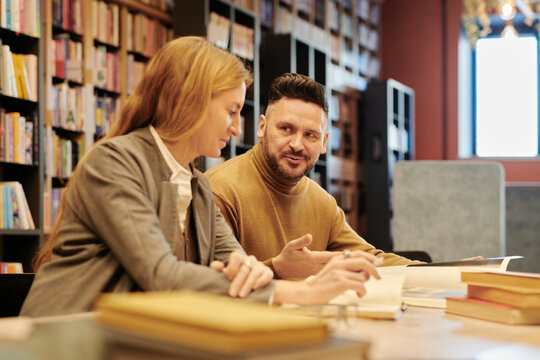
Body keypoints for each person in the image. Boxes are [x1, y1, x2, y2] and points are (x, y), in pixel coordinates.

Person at [21, 38, 381, 317]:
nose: (238, 127)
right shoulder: (114, 163)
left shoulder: (198, 186)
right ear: (191, 100)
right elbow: (161, 276)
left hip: (135, 335)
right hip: (65, 336)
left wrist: (251, 271)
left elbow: (245, 269)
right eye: (232, 110)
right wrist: (303, 291)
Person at [206, 72, 421, 280]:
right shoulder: (219, 190)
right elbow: (214, 282)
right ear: (262, 127)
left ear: (324, 142)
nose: (297, 145)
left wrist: (442, 273)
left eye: (310, 135)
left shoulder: (323, 203)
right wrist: (278, 269)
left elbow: (369, 259)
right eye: (286, 129)